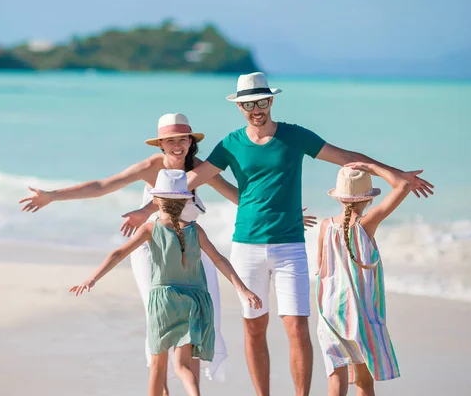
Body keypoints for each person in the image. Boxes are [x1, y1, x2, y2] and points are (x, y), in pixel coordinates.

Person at [122, 72, 434, 396]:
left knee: (297, 327)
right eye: (248, 104)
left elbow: (347, 157)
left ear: (271, 101)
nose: (256, 109)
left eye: (261, 102)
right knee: (254, 328)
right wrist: (145, 213)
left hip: (290, 247)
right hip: (246, 247)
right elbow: (182, 186)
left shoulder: (295, 136)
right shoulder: (230, 144)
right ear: (240, 106)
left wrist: (395, 173)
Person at [70, 169, 262, 396]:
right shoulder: (195, 229)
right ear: (185, 201)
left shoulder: (150, 229)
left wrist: (92, 279)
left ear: (156, 200)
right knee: (182, 366)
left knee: (158, 366)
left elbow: (118, 253)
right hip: (195, 302)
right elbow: (219, 260)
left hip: (164, 302)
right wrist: (243, 290)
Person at [316, 164, 411, 396]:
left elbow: (320, 267)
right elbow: (404, 185)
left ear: (339, 197)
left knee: (335, 379)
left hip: (328, 311)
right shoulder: (366, 224)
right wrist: (371, 167)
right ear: (367, 199)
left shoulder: (326, 226)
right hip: (357, 313)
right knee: (364, 381)